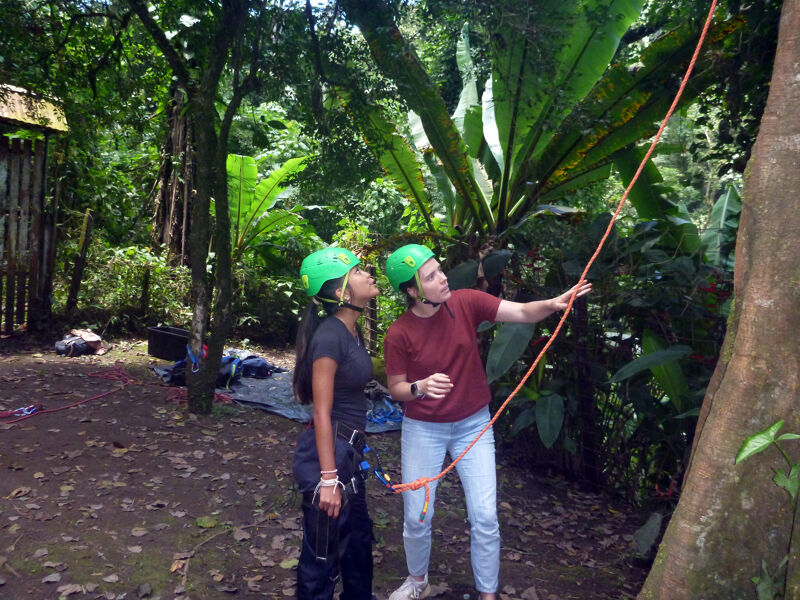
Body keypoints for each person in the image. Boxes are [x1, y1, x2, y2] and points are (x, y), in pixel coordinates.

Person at [383, 244, 592, 600]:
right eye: (431, 276)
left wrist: (554, 303)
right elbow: (397, 387)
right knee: (418, 516)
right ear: (413, 291)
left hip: (473, 426)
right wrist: (420, 387)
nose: (443, 277)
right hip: (423, 428)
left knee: (484, 516)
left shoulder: (466, 301)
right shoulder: (398, 333)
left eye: (439, 269)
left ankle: (488, 593)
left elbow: (523, 312)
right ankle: (418, 581)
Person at [292, 247, 379, 600]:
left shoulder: (350, 331)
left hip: (348, 455)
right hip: (330, 458)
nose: (368, 274)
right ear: (342, 291)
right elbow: (321, 412)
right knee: (323, 554)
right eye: (358, 271)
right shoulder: (330, 335)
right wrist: (328, 480)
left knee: (357, 546)